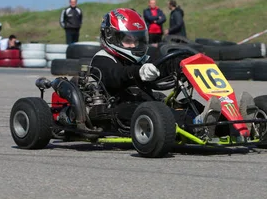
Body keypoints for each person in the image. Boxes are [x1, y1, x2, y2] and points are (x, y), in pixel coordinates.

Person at [90, 8, 219, 127]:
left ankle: (228, 125)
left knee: (188, 104)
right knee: (155, 112)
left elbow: (161, 66)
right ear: (111, 37)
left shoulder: (142, 58)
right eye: (128, 40)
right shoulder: (101, 59)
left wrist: (182, 64)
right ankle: (197, 125)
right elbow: (116, 76)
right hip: (119, 108)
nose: (134, 45)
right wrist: (138, 72)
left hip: (147, 104)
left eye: (137, 40)